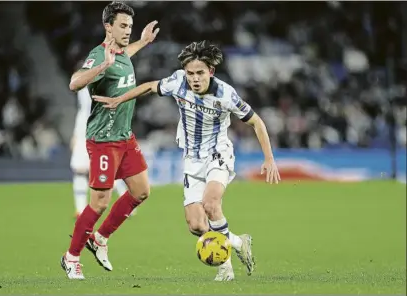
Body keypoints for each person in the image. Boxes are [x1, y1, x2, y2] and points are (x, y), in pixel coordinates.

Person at [93, 40, 281, 281]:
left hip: (218, 154)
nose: (194, 78)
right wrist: (120, 99)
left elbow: (256, 121)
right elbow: (150, 86)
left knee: (211, 204)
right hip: (192, 158)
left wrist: (269, 158)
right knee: (196, 225)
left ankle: (226, 268)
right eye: (190, 73)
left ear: (210, 72)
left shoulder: (225, 93)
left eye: (200, 73)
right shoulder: (177, 81)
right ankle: (237, 242)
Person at [61, 1, 159, 280]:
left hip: (125, 137)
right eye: (123, 26)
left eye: (130, 26)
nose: (128, 30)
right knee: (99, 203)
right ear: (108, 26)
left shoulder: (122, 51)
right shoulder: (99, 54)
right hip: (104, 140)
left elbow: (126, 53)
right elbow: (74, 82)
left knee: (141, 191)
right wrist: (101, 67)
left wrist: (143, 42)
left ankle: (100, 238)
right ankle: (71, 257)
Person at [70, 85, 135, 219]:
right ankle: (80, 209)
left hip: (99, 129)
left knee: (107, 170)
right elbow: (82, 110)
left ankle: (128, 203)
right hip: (84, 131)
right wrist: (76, 134)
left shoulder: (104, 83)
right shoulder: (84, 85)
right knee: (80, 170)